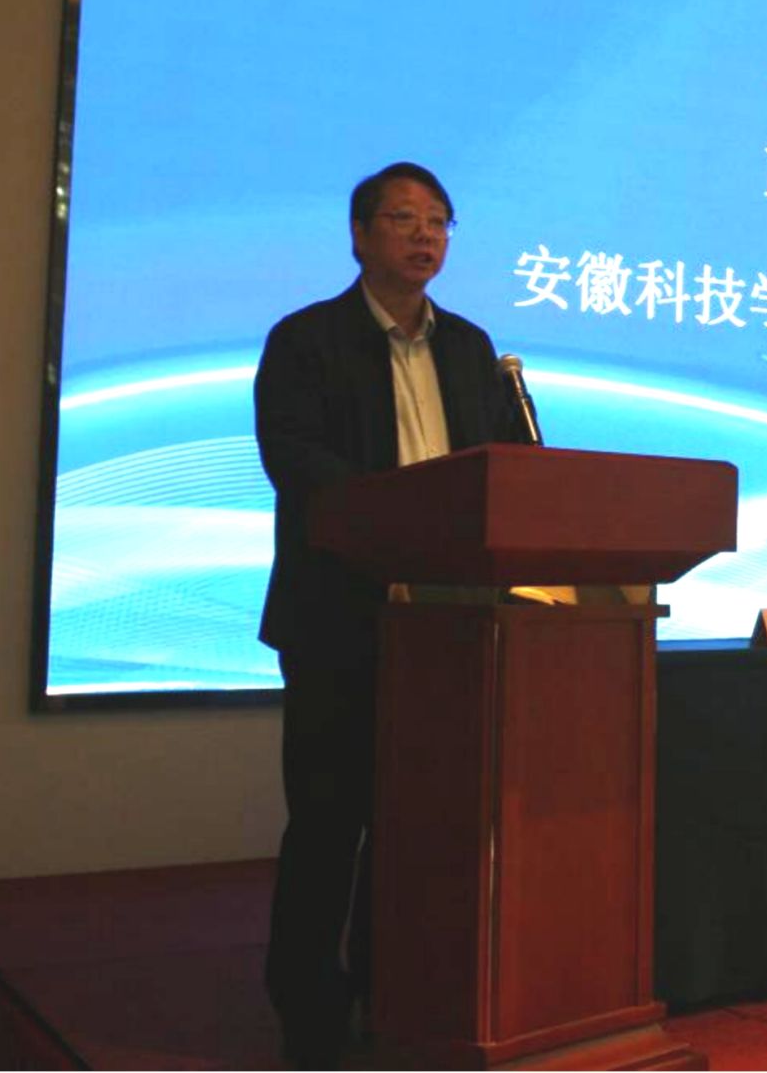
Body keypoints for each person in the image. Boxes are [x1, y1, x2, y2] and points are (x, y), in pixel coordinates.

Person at [255, 162, 523, 1065]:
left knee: (414, 822)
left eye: (439, 222)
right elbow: (296, 462)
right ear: (360, 234)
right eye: (404, 219)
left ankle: (389, 988)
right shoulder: (306, 340)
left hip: (449, 625)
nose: (425, 236)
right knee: (329, 822)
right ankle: (306, 1006)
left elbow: (505, 466)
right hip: (339, 619)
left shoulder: (471, 347)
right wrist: (406, 519)